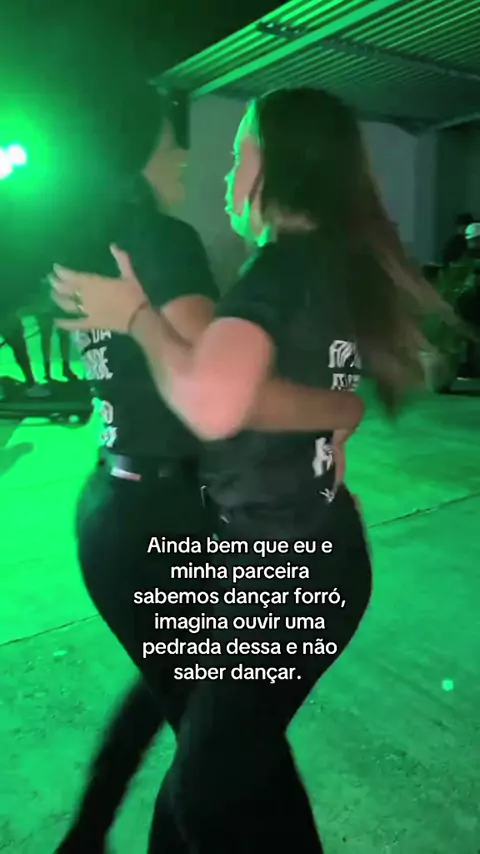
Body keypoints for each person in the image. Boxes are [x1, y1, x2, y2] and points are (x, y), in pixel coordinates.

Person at [52, 87, 449, 853]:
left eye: (241, 155)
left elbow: (213, 403)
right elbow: (279, 398)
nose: (226, 171)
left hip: (290, 567)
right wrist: (341, 411)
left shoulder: (279, 271)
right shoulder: (326, 263)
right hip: (292, 555)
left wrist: (136, 318)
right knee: (216, 770)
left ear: (282, 166)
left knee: (214, 784)